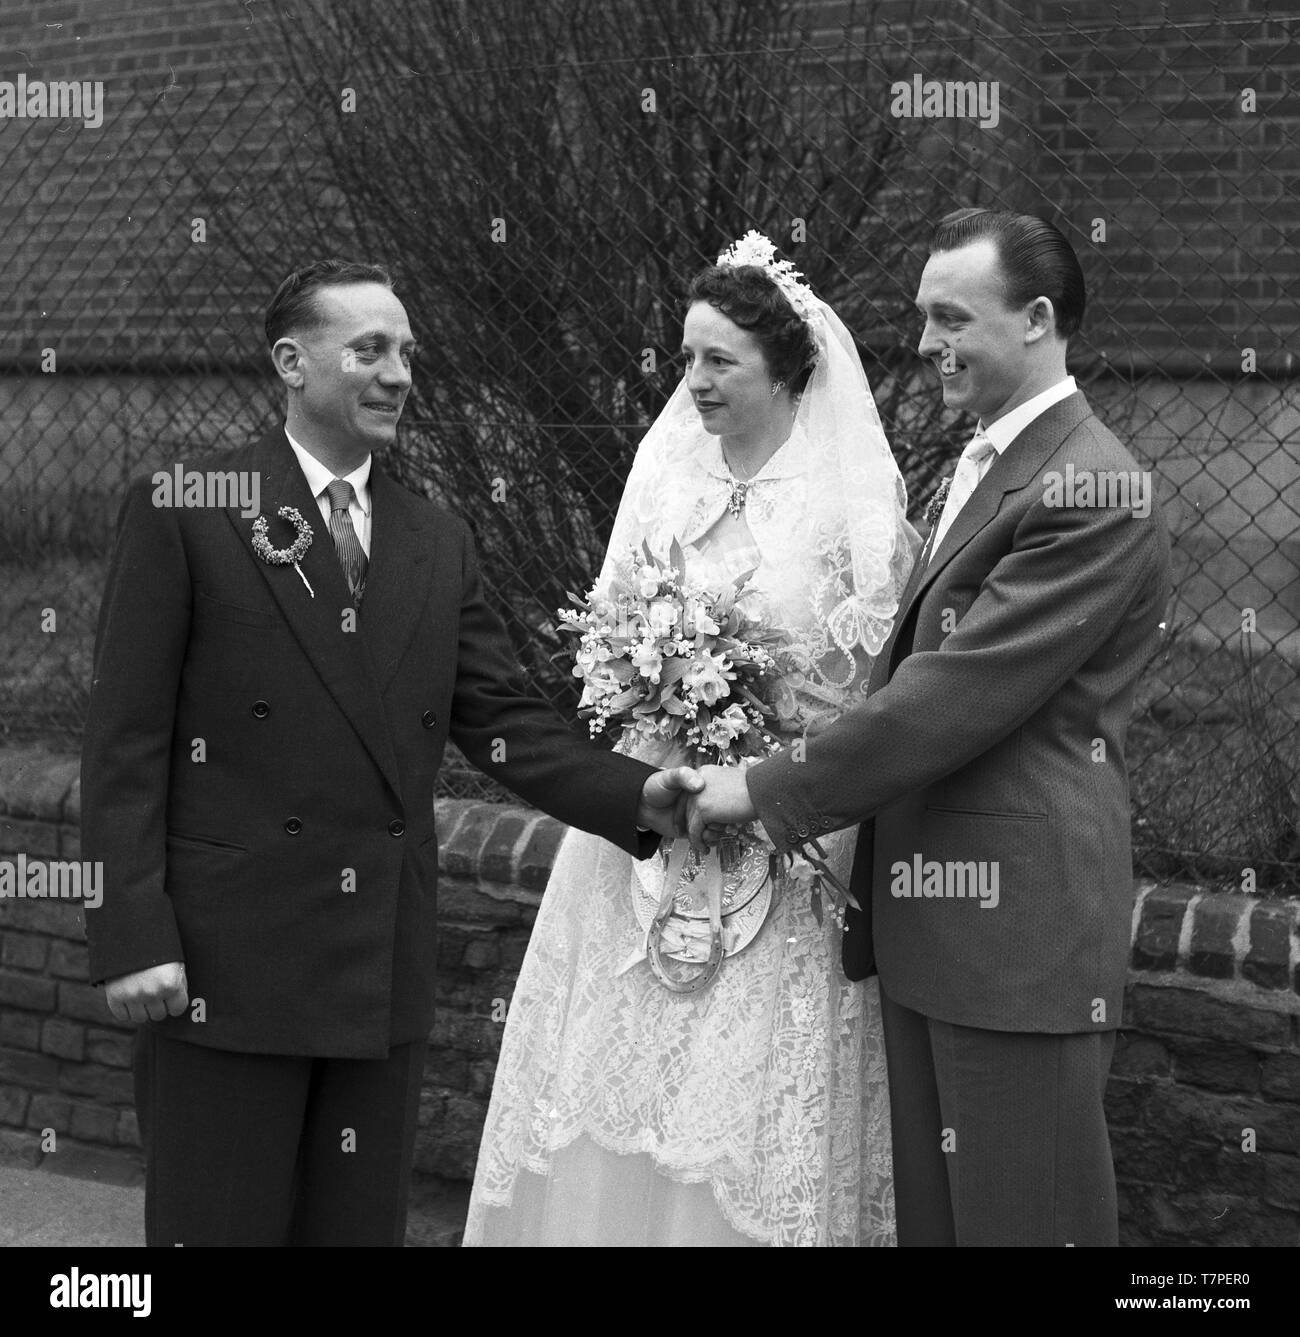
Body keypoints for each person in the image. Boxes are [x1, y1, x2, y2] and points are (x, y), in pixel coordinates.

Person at [79, 259, 700, 1247]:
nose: (399, 373)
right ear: (291, 361)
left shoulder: (434, 538)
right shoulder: (189, 502)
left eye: (406, 351)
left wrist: (646, 794)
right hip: (224, 966)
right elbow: (124, 740)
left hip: (377, 969)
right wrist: (134, 933)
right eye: (369, 347)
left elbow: (504, 721)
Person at [686, 209, 1173, 1246]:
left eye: (951, 317)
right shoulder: (991, 457)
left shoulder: (1095, 485)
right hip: (935, 930)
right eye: (920, 316)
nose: (921, 343)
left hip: (1016, 944)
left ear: (1038, 319)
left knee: (1022, 1225)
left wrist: (764, 786)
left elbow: (953, 691)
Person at [464, 233, 917, 1247]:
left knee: (739, 1102)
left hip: (778, 834)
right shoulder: (662, 474)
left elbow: (873, 694)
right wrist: (651, 707)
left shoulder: (850, 510)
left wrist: (754, 755)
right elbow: (606, 643)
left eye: (720, 360)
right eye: (686, 358)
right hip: (647, 825)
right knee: (612, 1080)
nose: (695, 380)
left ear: (786, 367)